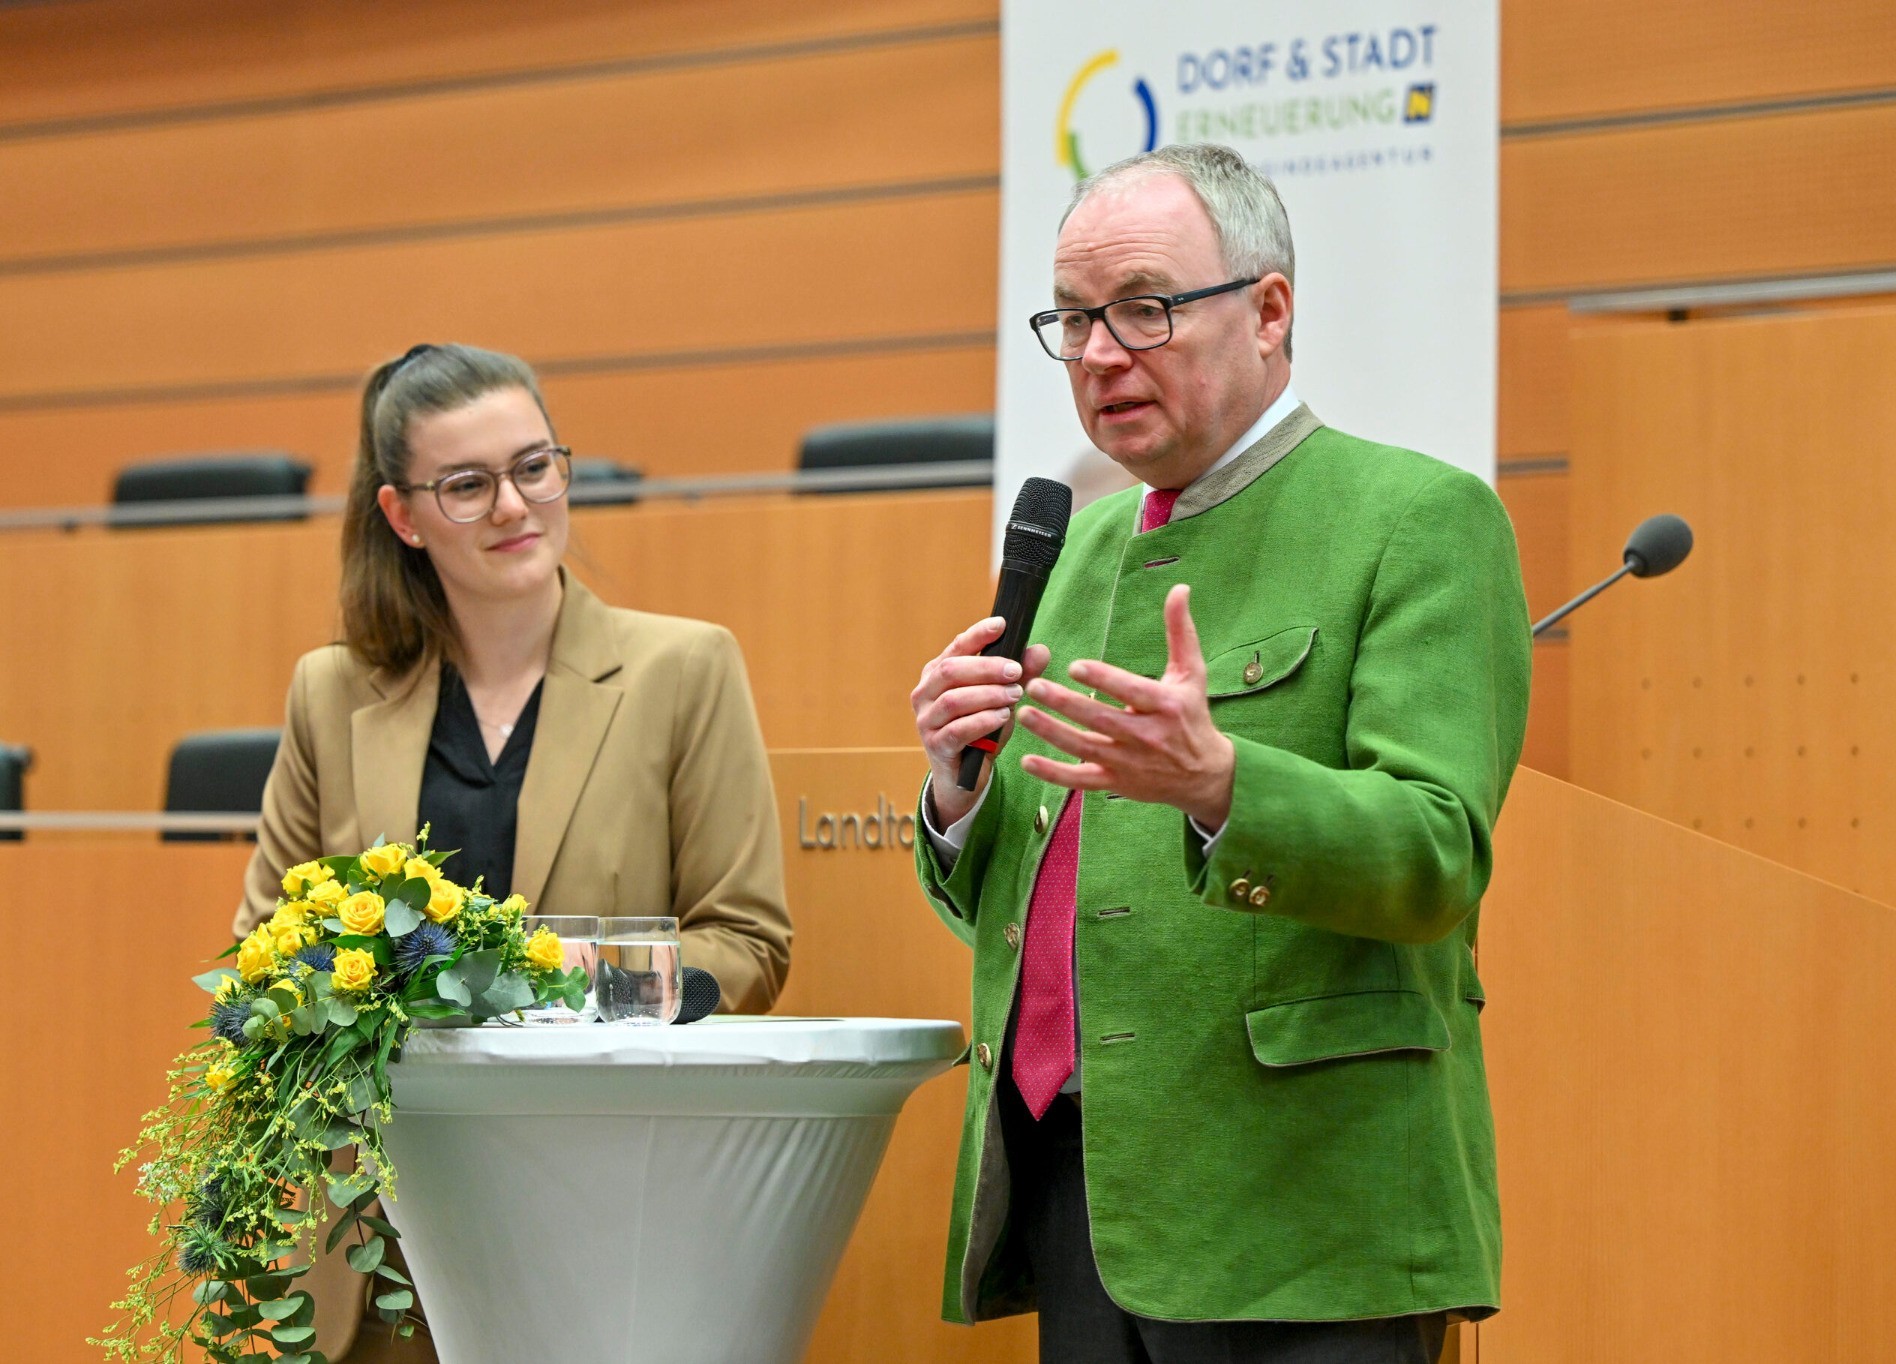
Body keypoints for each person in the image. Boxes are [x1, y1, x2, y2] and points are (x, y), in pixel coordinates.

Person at [910, 144, 1530, 1364]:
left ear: (1270, 310)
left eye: (1144, 307)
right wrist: (951, 786)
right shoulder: (1078, 551)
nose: (1099, 352)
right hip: (1084, 1189)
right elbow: (1028, 888)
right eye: (1075, 317)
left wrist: (1222, 786)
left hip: (1304, 1207)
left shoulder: (1418, 518)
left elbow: (1437, 852)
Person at [235, 342, 791, 1359]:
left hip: (597, 1218)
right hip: (373, 1243)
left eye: (535, 466)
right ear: (402, 515)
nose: (512, 505)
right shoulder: (331, 691)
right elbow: (260, 957)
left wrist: (572, 978)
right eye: (467, 485)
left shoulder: (683, 668)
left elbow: (749, 946)